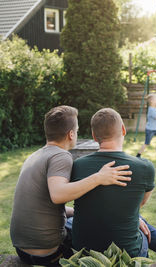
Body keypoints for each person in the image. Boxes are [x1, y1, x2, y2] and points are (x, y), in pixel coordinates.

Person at [10, 105, 131, 267]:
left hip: (22, 250)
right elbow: (58, 195)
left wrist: (77, 212)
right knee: (99, 229)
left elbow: (44, 205)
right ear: (71, 134)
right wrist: (99, 177)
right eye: (77, 130)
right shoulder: (61, 156)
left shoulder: (35, 155)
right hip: (48, 252)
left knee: (83, 218)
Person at [71, 108, 156, 260]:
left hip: (83, 255)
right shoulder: (145, 167)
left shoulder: (77, 165)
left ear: (94, 136)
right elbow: (140, 204)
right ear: (123, 130)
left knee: (137, 219)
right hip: (127, 254)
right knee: (141, 223)